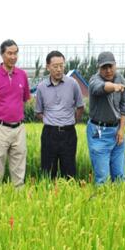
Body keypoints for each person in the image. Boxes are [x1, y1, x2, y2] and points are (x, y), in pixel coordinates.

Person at [0, 39, 30, 187]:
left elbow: (24, 99)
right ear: (2, 55)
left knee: (19, 168)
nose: (13, 57)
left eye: (15, 53)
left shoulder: (22, 75)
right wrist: (1, 113)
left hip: (19, 128)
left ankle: (19, 195)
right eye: (9, 53)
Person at [35, 51, 85, 179]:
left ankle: (68, 191)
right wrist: (50, 121)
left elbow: (80, 107)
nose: (59, 69)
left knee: (69, 172)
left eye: (61, 66)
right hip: (49, 133)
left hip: (68, 133)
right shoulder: (41, 87)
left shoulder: (73, 84)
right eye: (55, 66)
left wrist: (72, 121)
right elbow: (38, 112)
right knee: (48, 172)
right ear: (48, 67)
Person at [87, 51, 125, 185]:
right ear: (99, 68)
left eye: (110, 66)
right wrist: (114, 87)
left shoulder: (120, 78)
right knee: (102, 179)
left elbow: (124, 106)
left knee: (119, 177)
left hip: (116, 132)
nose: (108, 70)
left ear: (115, 65)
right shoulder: (94, 80)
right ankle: (101, 198)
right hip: (99, 133)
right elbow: (101, 88)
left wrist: (121, 130)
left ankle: (119, 199)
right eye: (104, 67)